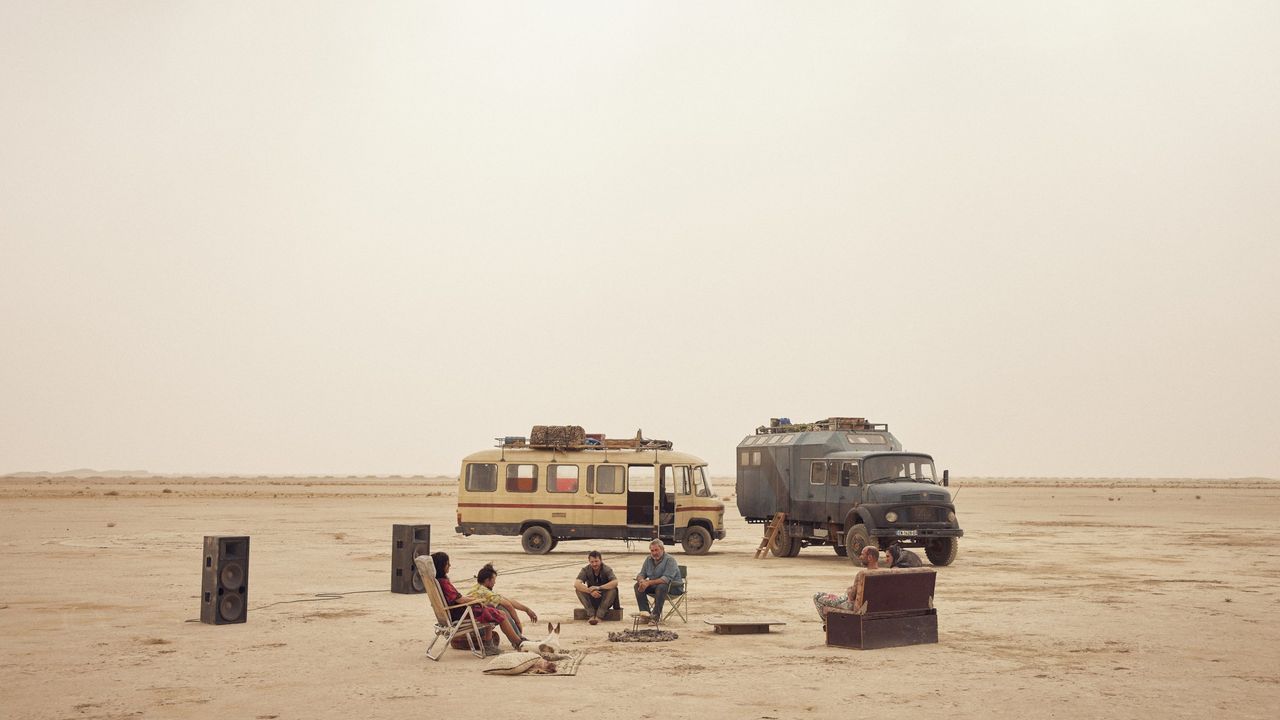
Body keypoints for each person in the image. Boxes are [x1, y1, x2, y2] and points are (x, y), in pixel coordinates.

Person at [429, 551, 524, 648]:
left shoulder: (438, 581)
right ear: (441, 565)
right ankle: (519, 643)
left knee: (491, 608)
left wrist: (473, 599)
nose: (450, 565)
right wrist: (477, 601)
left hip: (456, 612)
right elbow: (460, 600)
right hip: (462, 614)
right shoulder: (444, 583)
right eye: (447, 563)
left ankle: (489, 644)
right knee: (501, 614)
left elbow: (458, 598)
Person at [812, 545, 882, 622]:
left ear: (870, 557)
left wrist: (848, 591)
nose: (860, 557)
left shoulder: (862, 575)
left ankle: (827, 623)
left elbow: (851, 596)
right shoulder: (883, 574)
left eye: (862, 554)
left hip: (852, 605)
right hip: (872, 607)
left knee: (817, 596)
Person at [467, 562, 537, 635]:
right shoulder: (485, 592)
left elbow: (507, 600)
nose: (495, 582)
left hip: (472, 623)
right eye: (494, 580)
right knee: (501, 608)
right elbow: (508, 604)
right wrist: (518, 622)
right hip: (475, 627)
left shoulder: (478, 588)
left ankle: (518, 637)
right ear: (487, 580)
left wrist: (527, 610)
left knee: (499, 605)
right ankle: (519, 638)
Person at [634, 539, 682, 624]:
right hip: (656, 586)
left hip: (673, 587)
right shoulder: (648, 559)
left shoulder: (670, 560)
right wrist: (641, 581)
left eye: (656, 550)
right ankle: (646, 615)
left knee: (662, 586)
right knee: (637, 585)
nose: (654, 553)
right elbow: (641, 574)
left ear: (662, 549)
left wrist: (648, 582)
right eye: (652, 550)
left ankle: (655, 617)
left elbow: (665, 579)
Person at [574, 550, 619, 625]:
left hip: (604, 598)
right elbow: (576, 583)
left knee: (613, 590)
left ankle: (599, 616)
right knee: (578, 589)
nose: (594, 564)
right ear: (589, 561)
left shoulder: (607, 569)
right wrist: (590, 591)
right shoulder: (585, 570)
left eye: (596, 561)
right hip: (592, 597)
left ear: (601, 560)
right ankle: (591, 615)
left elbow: (615, 582)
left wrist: (599, 588)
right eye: (592, 562)